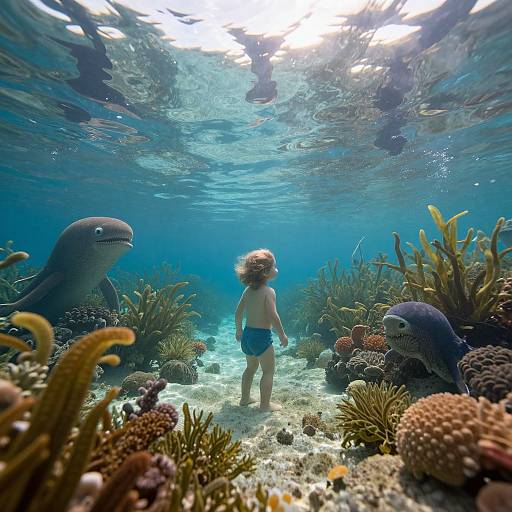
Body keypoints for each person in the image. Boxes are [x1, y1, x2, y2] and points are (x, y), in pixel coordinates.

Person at [234, 248, 288, 412]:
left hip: (247, 335)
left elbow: (238, 312)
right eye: (274, 267)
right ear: (265, 272)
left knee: (250, 368)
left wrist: (238, 330)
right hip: (261, 337)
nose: (277, 269)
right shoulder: (269, 292)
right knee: (268, 371)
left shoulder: (247, 290)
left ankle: (245, 399)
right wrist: (282, 335)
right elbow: (273, 315)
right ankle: (265, 405)